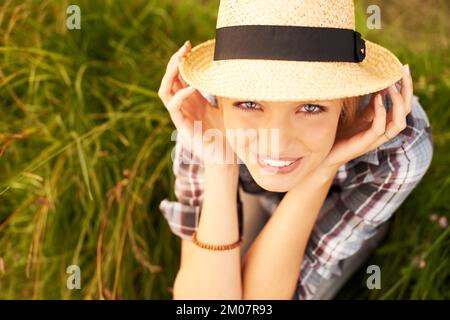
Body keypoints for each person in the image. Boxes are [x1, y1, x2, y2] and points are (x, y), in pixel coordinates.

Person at [158, 0, 433, 299]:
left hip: (338, 206)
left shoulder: (399, 147)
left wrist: (322, 171)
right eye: (250, 103)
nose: (277, 142)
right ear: (221, 100)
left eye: (310, 106)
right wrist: (221, 164)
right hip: (256, 195)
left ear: (345, 102)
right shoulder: (204, 109)